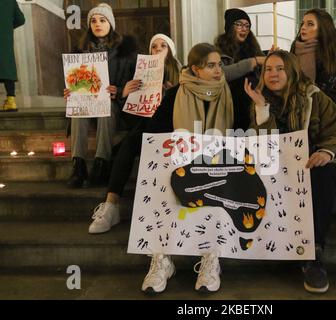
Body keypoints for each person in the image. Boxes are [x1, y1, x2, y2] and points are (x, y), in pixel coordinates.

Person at [88, 43, 233, 294]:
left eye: (219, 64)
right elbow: (154, 131)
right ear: (196, 70)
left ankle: (211, 258)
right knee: (162, 181)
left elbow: (244, 132)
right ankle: (161, 258)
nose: (218, 70)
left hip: (216, 162)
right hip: (182, 160)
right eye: (211, 65)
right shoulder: (178, 93)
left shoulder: (231, 94)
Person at [244, 50, 336, 294]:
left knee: (323, 173)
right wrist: (261, 109)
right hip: (274, 165)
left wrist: (326, 152)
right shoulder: (259, 100)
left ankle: (313, 252)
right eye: (268, 69)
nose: (273, 74)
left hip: (310, 162)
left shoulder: (314, 97)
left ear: (291, 71)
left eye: (279, 68)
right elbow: (260, 144)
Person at [88, 33, 181, 235]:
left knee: (128, 144)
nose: (157, 50)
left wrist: (173, 93)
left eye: (162, 46)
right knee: (130, 142)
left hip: (171, 130)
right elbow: (128, 115)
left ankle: (113, 204)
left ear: (171, 51)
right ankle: (111, 205)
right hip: (144, 127)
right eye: (154, 46)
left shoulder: (181, 74)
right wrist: (125, 92)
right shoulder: (139, 72)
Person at [64, 3, 138, 189]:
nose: (98, 24)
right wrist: (70, 92)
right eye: (94, 21)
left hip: (113, 103)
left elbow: (135, 82)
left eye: (102, 20)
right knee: (77, 114)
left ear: (110, 24)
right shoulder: (80, 52)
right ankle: (78, 166)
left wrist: (119, 91)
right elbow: (75, 79)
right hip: (87, 102)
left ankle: (101, 164)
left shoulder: (125, 51)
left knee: (107, 111)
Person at [215, 8, 266, 130]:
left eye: (247, 25)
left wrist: (272, 59)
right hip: (230, 105)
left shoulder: (254, 48)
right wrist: (253, 62)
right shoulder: (218, 50)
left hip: (253, 105)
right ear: (230, 27)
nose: (244, 29)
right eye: (239, 25)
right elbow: (222, 73)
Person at [290, 8, 336, 106]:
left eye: (310, 24)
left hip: (324, 107)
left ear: (322, 29)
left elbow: (327, 88)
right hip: (295, 105)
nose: (303, 27)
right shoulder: (295, 48)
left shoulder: (329, 53)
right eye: (303, 23)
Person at [0, 0, 25, 112]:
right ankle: (11, 101)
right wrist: (8, 27)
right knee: (7, 67)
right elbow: (21, 19)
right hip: (6, 40)